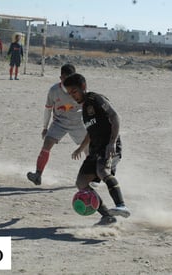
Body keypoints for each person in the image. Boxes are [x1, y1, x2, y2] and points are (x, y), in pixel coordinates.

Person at [64, 73, 130, 226]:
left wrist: (112, 142)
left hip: (108, 146)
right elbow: (91, 131)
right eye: (69, 93)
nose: (72, 96)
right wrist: (81, 148)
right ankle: (107, 215)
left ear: (83, 87)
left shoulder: (96, 99)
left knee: (103, 171)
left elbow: (115, 117)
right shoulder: (85, 108)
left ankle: (121, 205)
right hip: (95, 149)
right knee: (81, 183)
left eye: (74, 92)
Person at [27, 64, 88, 185]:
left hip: (78, 123)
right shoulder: (54, 91)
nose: (67, 82)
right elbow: (48, 109)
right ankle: (38, 174)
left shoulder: (81, 89)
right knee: (47, 143)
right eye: (65, 78)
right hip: (60, 122)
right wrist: (45, 127)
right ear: (61, 78)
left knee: (88, 149)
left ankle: (91, 177)